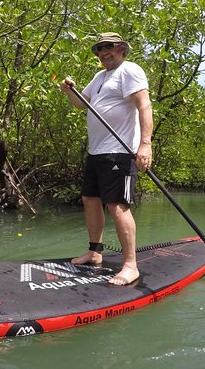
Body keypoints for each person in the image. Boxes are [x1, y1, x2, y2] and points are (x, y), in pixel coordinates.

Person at [59, 32, 153, 286]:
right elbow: (82, 104)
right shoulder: (100, 76)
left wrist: (145, 145)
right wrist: (69, 91)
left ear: (121, 48)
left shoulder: (130, 70)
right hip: (97, 151)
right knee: (90, 199)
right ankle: (95, 252)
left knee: (117, 205)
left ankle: (130, 265)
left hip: (120, 151)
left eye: (108, 47)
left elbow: (144, 105)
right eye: (99, 48)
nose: (103, 52)